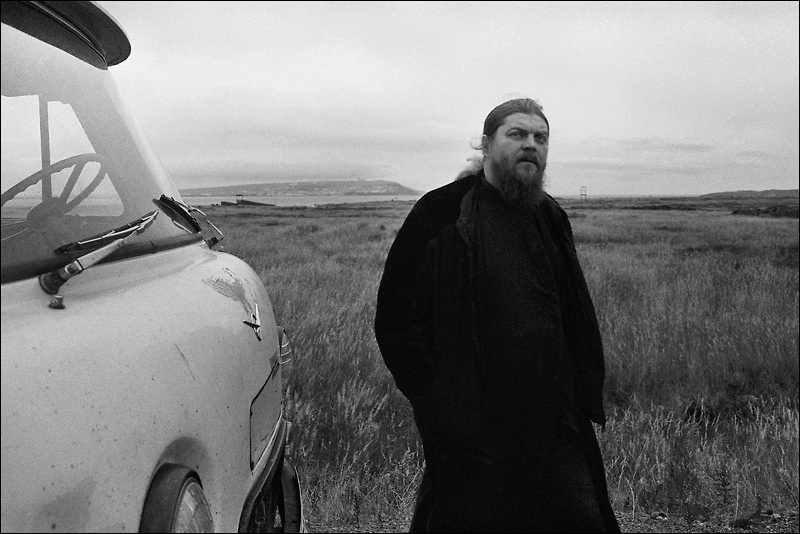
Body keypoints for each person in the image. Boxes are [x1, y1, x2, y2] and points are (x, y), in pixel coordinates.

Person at [374, 98, 620, 533]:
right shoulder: (441, 213)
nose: (531, 145)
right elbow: (395, 319)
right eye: (517, 134)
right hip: (473, 429)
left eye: (540, 138)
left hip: (555, 422)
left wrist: (580, 392)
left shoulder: (549, 215)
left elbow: (573, 311)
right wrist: (437, 402)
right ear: (485, 144)